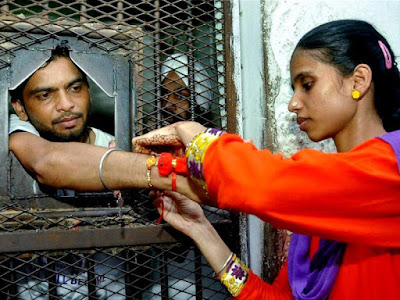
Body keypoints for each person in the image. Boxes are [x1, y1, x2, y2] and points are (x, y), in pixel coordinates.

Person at [136, 19, 400, 299]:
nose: (293, 103)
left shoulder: (392, 168)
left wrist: (198, 137)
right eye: (294, 88)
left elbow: (265, 186)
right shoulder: (323, 202)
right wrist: (201, 230)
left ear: (358, 80)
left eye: (307, 84)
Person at [9, 45, 125, 299]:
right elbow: (46, 162)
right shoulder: (15, 139)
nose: (67, 104)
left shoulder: (116, 145)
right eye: (45, 95)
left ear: (89, 91)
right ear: (19, 107)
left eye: (75, 88)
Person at [160, 53, 215, 125]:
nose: (167, 105)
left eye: (181, 96)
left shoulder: (216, 136)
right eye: (164, 94)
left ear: (199, 104)